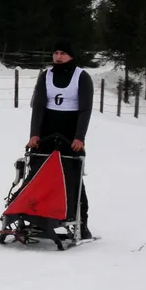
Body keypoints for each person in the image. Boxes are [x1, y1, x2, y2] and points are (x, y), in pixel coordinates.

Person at [26, 38, 93, 238]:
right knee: (37, 175)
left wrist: (79, 137)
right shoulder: (45, 76)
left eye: (63, 53)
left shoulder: (82, 77)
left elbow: (85, 109)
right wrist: (34, 134)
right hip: (47, 130)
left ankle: (80, 222)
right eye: (56, 53)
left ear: (71, 56)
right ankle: (37, 218)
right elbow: (38, 106)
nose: (58, 56)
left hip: (70, 132)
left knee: (72, 177)